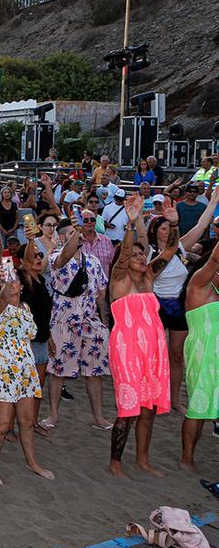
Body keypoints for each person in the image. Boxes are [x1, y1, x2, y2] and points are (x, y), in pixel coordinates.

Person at [105, 195, 169, 478]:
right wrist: (131, 224)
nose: (142, 257)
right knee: (128, 408)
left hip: (153, 350)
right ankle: (115, 463)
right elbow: (123, 254)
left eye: (144, 254)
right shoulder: (119, 280)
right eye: (136, 254)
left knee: (148, 408)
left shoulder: (148, 280)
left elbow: (170, 252)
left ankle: (143, 459)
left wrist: (173, 226)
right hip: (126, 349)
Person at [147, 187, 219, 413]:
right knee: (155, 354)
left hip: (178, 305)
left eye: (170, 227)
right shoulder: (149, 254)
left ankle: (174, 399)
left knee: (177, 355)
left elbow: (200, 226)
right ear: (155, 231)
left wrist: (214, 200)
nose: (168, 231)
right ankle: (153, 396)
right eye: (164, 227)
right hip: (157, 305)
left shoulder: (180, 248)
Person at [43, 219, 111, 431]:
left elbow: (101, 294)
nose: (79, 235)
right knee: (57, 371)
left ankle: (98, 417)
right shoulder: (56, 258)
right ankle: (53, 415)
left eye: (79, 232)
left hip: (90, 321)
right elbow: (63, 257)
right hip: (64, 321)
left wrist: (104, 322)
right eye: (73, 232)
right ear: (62, 237)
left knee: (95, 371)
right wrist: (77, 231)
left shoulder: (93, 261)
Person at [0, 277, 53, 484]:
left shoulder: (26, 307)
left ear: (22, 286)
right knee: (3, 423)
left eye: (16, 281)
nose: (13, 284)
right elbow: (5, 295)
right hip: (2, 367)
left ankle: (33, 462)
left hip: (25, 366)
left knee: (27, 421)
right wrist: (6, 282)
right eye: (8, 281)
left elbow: (31, 333)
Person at [181, 242, 219, 472]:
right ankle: (186, 458)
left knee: (208, 408)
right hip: (201, 353)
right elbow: (215, 259)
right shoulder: (198, 286)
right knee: (198, 405)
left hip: (216, 356)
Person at [16, 242, 54, 432]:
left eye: (41, 255)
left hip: (41, 340)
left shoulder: (41, 281)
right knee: (22, 387)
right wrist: (31, 240)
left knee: (37, 387)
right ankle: (11, 427)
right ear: (23, 260)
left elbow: (45, 314)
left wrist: (50, 338)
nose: (39, 258)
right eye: (35, 255)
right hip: (26, 342)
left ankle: (33, 422)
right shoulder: (21, 281)